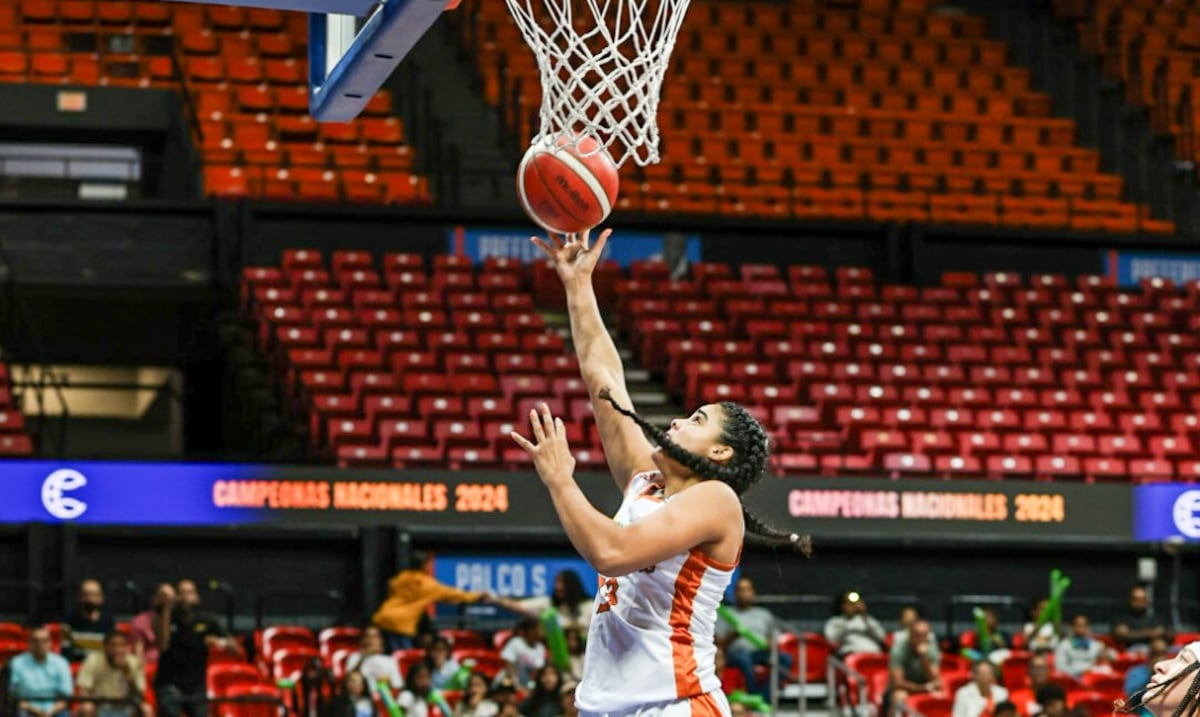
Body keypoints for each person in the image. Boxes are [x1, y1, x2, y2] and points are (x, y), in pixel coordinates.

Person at [514, 228, 809, 717]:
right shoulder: (647, 482)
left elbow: (611, 553)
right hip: (606, 707)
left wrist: (561, 481)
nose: (676, 421)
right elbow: (605, 379)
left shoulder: (716, 500)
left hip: (676, 704)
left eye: (697, 420)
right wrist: (578, 284)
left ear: (720, 453)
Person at [372, 552, 487, 651]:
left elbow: (390, 587)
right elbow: (453, 594)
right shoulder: (427, 585)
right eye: (428, 563)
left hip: (384, 618)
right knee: (403, 655)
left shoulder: (400, 578)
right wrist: (478, 595)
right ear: (424, 565)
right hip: (401, 624)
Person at [155, 579, 230, 717]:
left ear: (197, 597)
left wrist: (220, 642)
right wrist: (166, 606)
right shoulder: (165, 617)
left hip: (196, 686)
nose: (185, 597)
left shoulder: (207, 621)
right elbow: (163, 645)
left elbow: (235, 647)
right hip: (169, 684)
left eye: (189, 592)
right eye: (181, 593)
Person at [718, 577, 793, 700]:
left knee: (785, 659)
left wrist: (770, 643)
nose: (744, 593)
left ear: (753, 592)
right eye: (741, 590)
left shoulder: (764, 614)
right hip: (735, 653)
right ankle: (752, 694)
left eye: (747, 590)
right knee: (744, 658)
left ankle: (763, 697)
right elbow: (719, 643)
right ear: (735, 593)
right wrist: (733, 636)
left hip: (760, 652)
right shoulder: (727, 614)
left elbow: (774, 637)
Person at [490, 570, 595, 633]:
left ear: (572, 586)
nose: (557, 587)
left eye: (562, 583)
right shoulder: (548, 604)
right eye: (556, 582)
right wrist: (493, 598)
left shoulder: (589, 606)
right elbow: (518, 606)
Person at [1117, 639, 1200, 717]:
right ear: (1149, 654)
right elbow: (1131, 696)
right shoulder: (1137, 671)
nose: (1158, 665)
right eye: (1155, 653)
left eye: (1184, 660)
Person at [76, 631, 150, 717]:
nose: (118, 650)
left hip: (127, 707)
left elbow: (141, 693)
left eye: (121, 645)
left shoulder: (134, 662)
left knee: (146, 709)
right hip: (99, 707)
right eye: (113, 645)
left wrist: (127, 671)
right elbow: (83, 691)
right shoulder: (93, 660)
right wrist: (89, 703)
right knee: (86, 708)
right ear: (105, 647)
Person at [9, 626, 72, 717]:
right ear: (29, 643)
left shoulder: (61, 663)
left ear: (50, 643)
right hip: (27, 709)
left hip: (55, 710)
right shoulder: (16, 663)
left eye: (44, 641)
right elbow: (12, 695)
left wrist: (49, 713)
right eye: (36, 641)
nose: (40, 644)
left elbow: (65, 697)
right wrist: (35, 711)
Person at [883, 620, 941, 717]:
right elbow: (897, 683)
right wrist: (922, 688)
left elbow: (935, 680)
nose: (921, 639)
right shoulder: (899, 649)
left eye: (924, 635)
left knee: (940, 696)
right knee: (899, 696)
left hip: (924, 688)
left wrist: (923, 658)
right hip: (902, 689)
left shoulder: (932, 648)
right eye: (918, 636)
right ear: (910, 636)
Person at [62, 579, 115, 662]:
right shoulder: (68, 621)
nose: (90, 599)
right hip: (77, 665)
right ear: (79, 597)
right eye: (86, 595)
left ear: (101, 598)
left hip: (100, 665)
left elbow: (112, 652)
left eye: (94, 595)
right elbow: (66, 652)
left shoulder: (108, 622)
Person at [825, 590, 888, 657]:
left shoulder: (868, 620)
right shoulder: (835, 621)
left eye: (856, 603)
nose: (854, 606)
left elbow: (882, 638)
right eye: (850, 604)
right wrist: (849, 620)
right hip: (849, 655)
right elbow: (832, 640)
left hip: (874, 654)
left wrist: (864, 618)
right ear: (842, 606)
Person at [344, 625, 404, 694]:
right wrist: (364, 656)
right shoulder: (355, 657)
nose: (371, 640)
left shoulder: (389, 660)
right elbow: (350, 681)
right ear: (361, 640)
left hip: (384, 696)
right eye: (367, 636)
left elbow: (398, 684)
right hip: (362, 696)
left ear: (381, 640)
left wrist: (387, 682)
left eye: (375, 636)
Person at [1113, 586, 1171, 652]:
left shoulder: (1157, 618)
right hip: (1132, 650)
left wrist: (1162, 632)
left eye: (1142, 599)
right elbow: (1120, 635)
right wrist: (1148, 633)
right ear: (1130, 600)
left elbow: (1170, 634)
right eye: (1136, 599)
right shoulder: (1122, 618)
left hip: (1157, 649)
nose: (1139, 602)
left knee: (1161, 645)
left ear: (1147, 601)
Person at [128, 583, 174, 664]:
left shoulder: (180, 622)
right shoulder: (141, 621)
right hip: (151, 665)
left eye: (170, 599)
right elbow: (138, 653)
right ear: (155, 599)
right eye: (163, 596)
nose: (166, 601)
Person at [498, 617, 546, 688]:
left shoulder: (540, 648)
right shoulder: (516, 643)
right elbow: (508, 669)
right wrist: (516, 687)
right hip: (508, 682)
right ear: (531, 630)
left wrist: (531, 687)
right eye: (540, 628)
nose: (543, 631)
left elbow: (536, 673)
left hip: (526, 684)